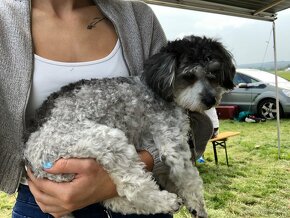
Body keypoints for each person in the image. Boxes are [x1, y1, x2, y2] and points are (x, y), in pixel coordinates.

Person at [0, 0, 213, 217]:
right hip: (45, 202)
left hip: (141, 199)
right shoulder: (4, 20)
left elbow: (191, 121)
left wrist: (139, 165)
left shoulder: (139, 18)